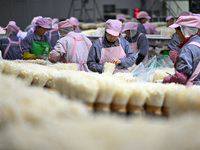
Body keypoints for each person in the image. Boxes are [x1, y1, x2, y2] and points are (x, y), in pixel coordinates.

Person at [163, 16, 200, 86]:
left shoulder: (187, 49)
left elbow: (181, 77)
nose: (178, 37)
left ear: (185, 30)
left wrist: (166, 79)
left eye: (177, 33)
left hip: (194, 91)